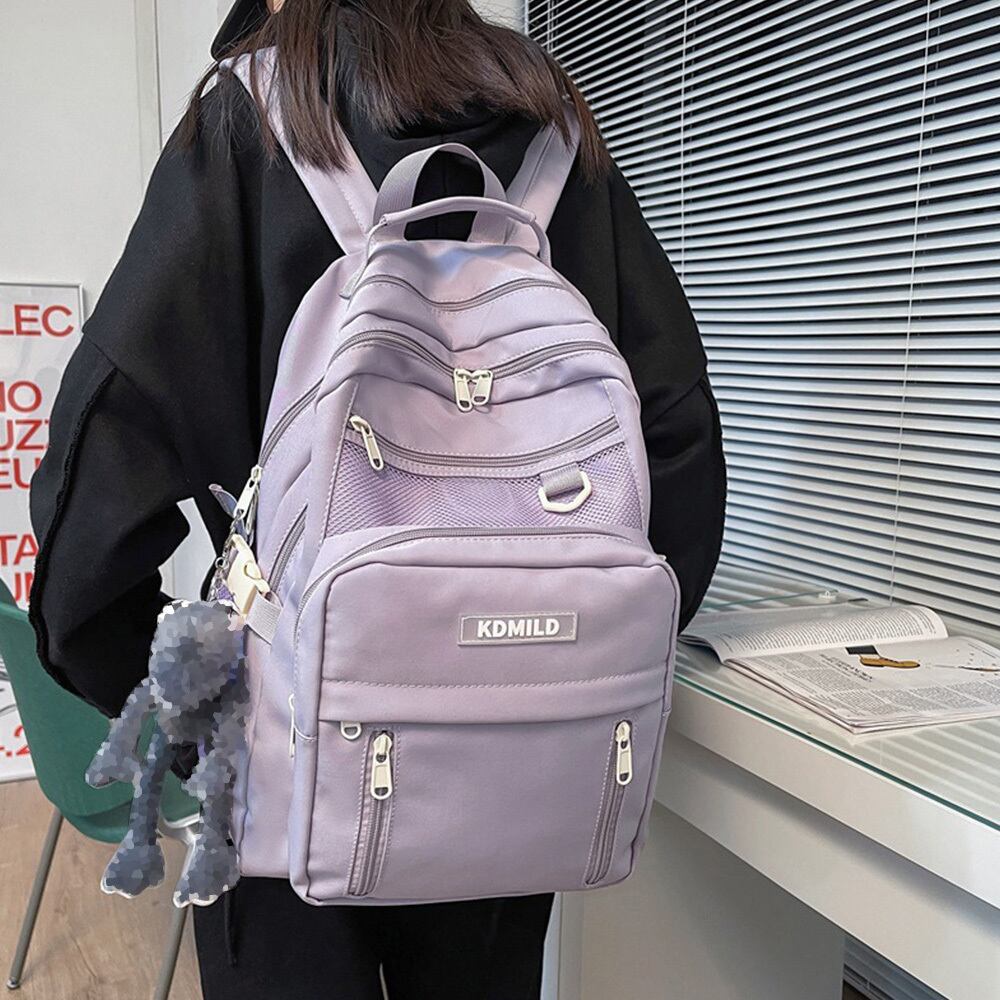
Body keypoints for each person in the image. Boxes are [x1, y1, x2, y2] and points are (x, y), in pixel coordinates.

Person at [28, 1, 726, 996]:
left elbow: (94, 507)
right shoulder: (555, 129)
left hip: (285, 769)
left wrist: (200, 718)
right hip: (518, 770)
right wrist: (565, 656)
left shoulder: (257, 116)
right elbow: (679, 448)